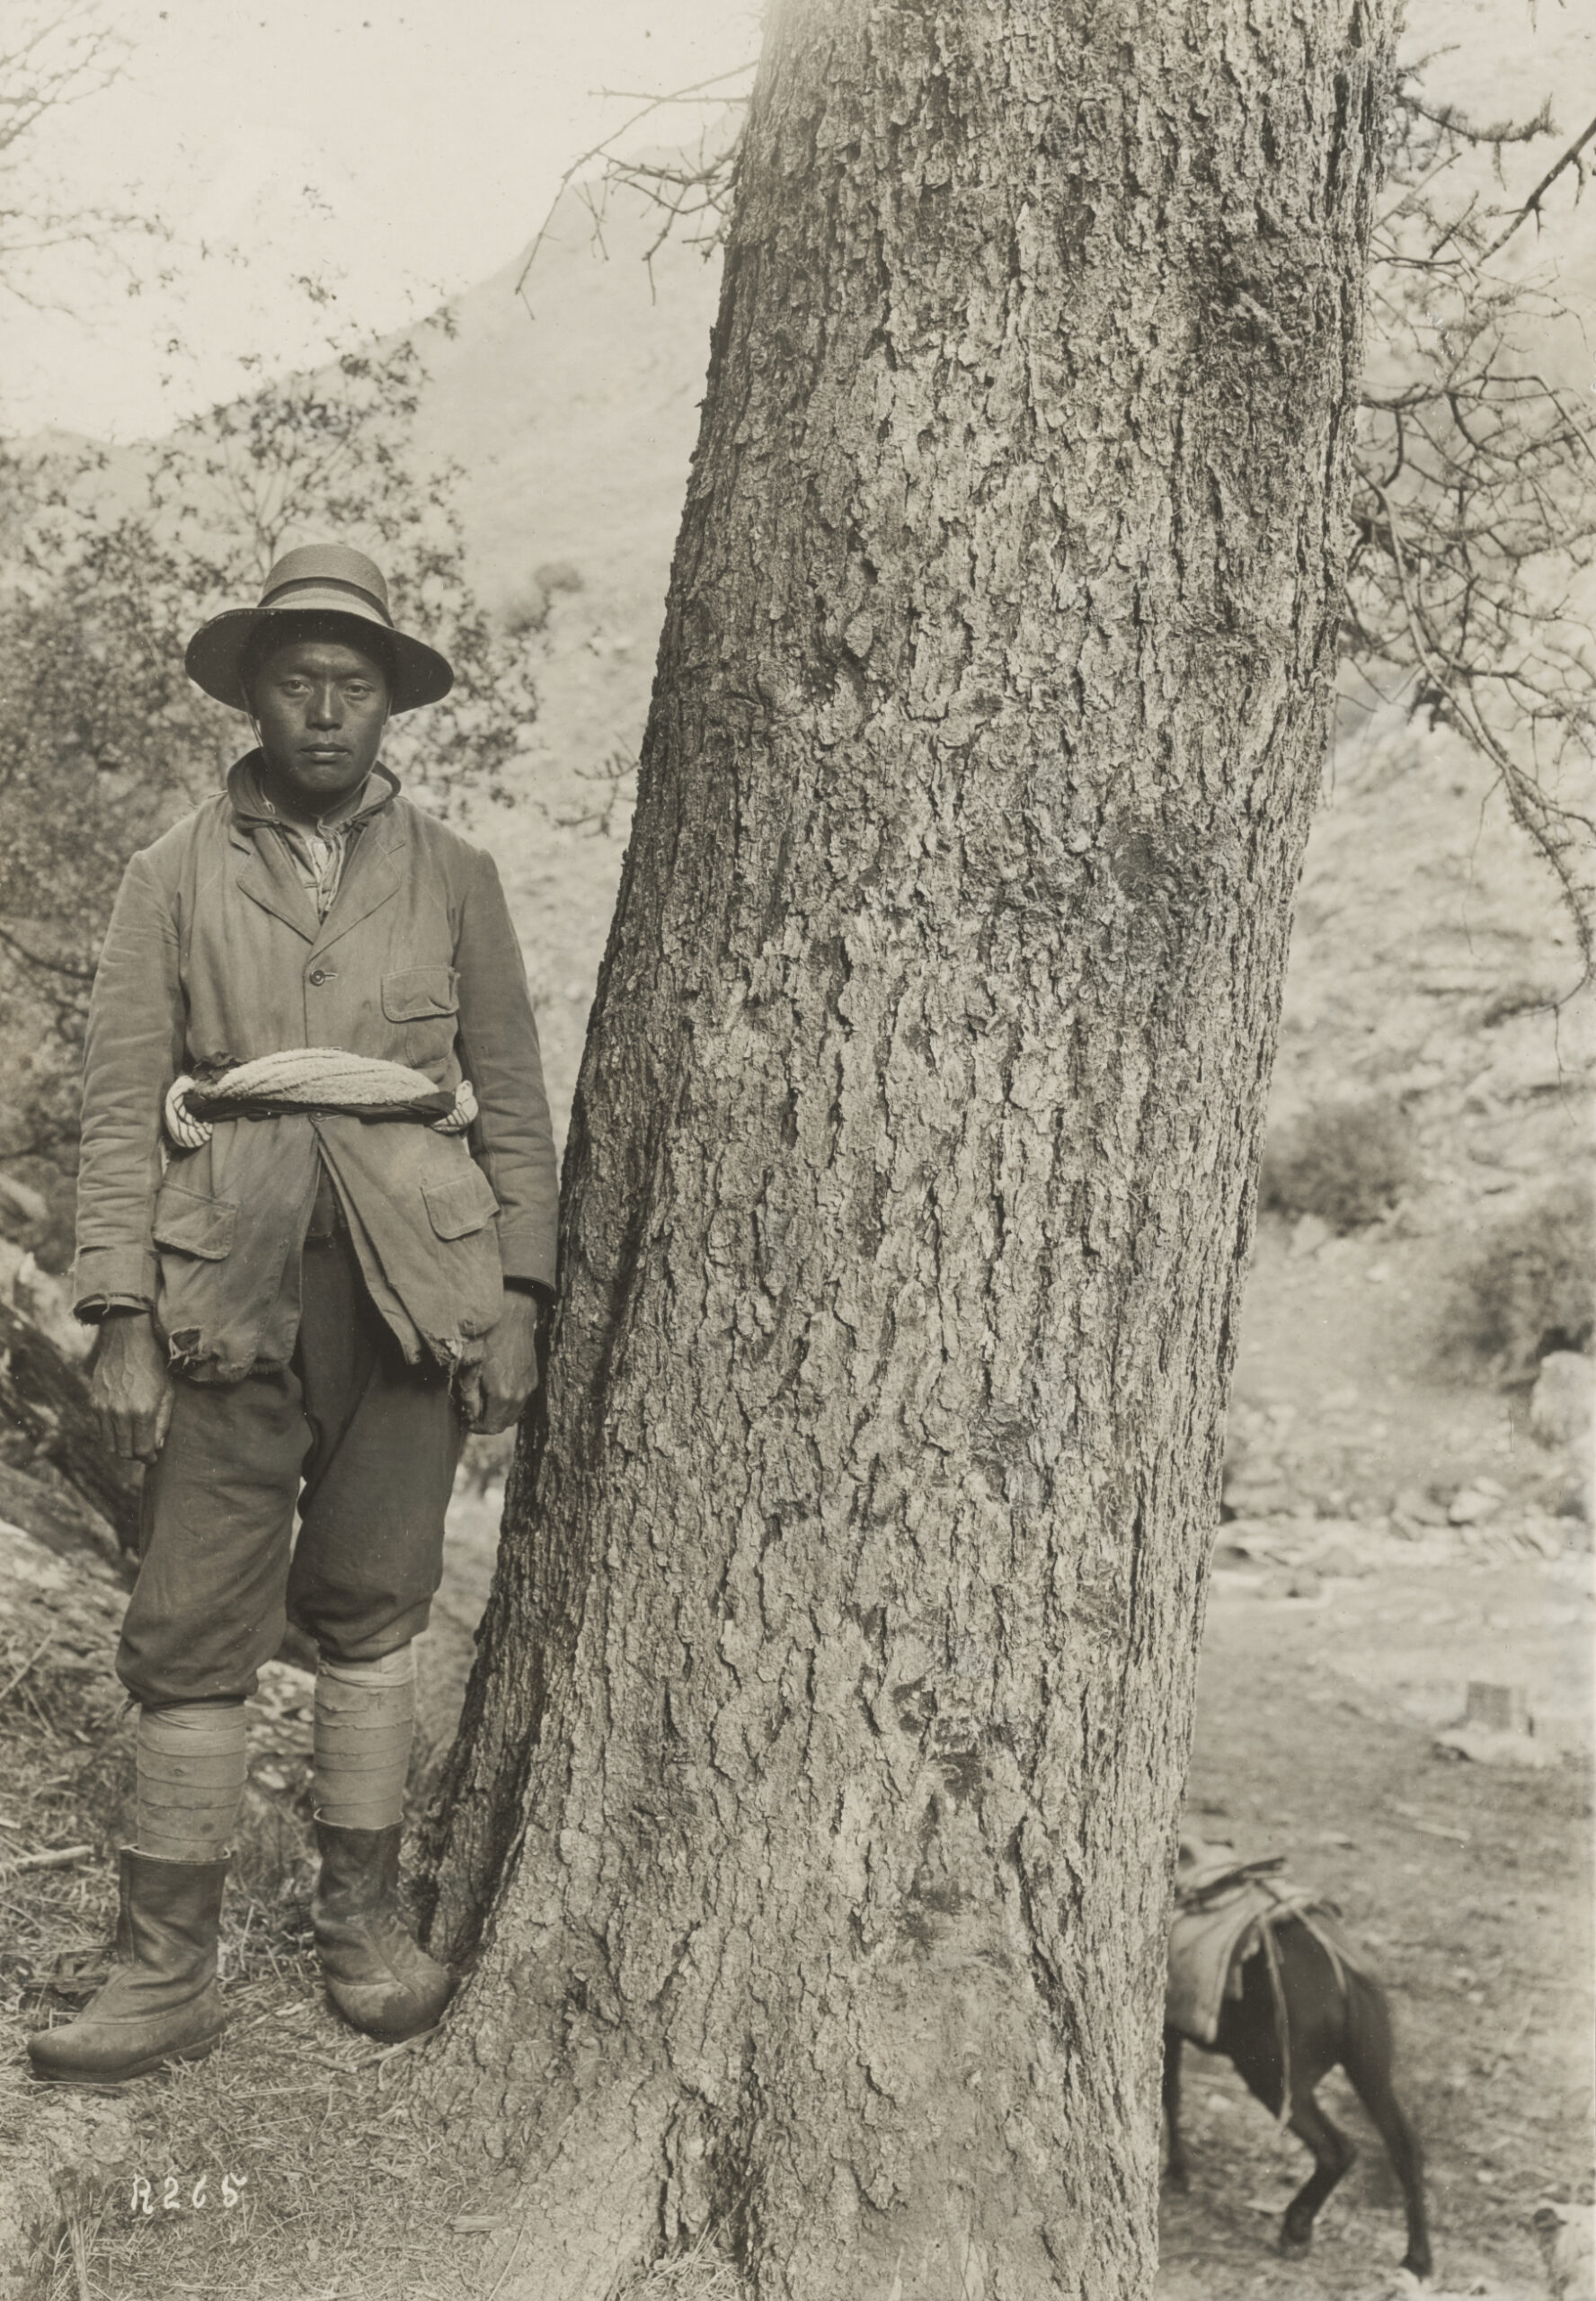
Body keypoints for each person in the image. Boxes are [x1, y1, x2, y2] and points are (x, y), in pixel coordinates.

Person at [28, 543, 558, 2085]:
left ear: (391, 705)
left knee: (376, 1609)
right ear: (251, 693)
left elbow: (512, 1101)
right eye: (296, 681)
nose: (324, 711)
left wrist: (519, 1295)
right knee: (190, 1624)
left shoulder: (457, 876)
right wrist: (118, 1315)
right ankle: (161, 1968)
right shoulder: (173, 872)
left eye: (354, 685)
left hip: (417, 1292)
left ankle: (363, 1933)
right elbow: (123, 1105)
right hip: (223, 1293)